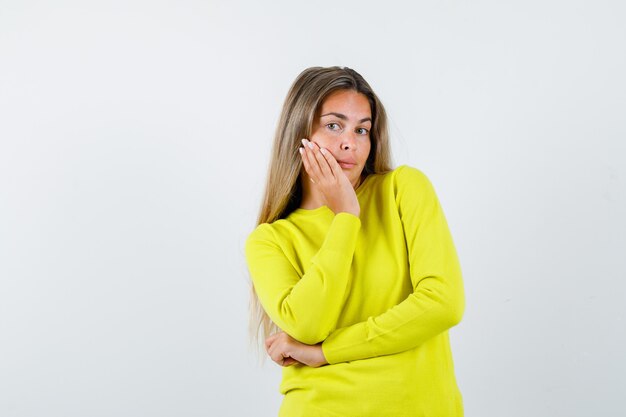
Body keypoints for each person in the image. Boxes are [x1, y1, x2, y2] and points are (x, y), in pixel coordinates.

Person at [244, 66, 465, 417]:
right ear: (298, 133)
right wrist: (346, 216)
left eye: (362, 129)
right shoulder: (270, 240)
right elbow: (307, 325)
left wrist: (326, 351)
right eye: (334, 125)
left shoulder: (403, 190)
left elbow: (443, 303)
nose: (351, 142)